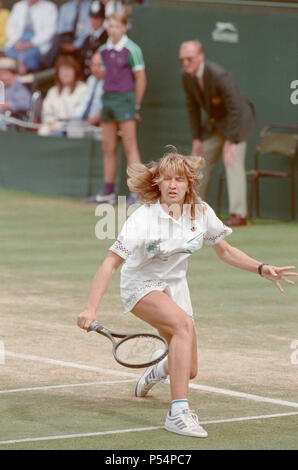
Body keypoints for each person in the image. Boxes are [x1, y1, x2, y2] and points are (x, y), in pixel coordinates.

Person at [77, 148, 297, 438]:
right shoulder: (143, 218)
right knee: (183, 325)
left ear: (189, 184)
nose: (172, 185)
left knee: (189, 369)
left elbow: (226, 251)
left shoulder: (201, 213)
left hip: (176, 286)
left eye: (179, 179)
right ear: (158, 183)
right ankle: (178, 412)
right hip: (141, 285)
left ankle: (158, 370)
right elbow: (110, 263)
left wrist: (261, 267)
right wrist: (90, 308)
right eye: (167, 179)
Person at [179, 40, 255, 227]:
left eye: (189, 59)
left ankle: (239, 214)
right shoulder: (186, 77)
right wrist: (196, 138)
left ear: (200, 57)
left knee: (232, 160)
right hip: (215, 125)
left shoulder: (218, 75)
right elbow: (193, 108)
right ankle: (192, 210)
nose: (186, 63)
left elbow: (235, 107)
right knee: (198, 160)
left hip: (237, 124)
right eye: (182, 60)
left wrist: (230, 141)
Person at [85, 12, 146, 207]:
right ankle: (108, 192)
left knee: (130, 145)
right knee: (108, 146)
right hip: (108, 99)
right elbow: (105, 74)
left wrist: (135, 105)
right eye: (109, 26)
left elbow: (141, 79)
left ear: (125, 27)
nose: (112, 30)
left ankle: (136, 193)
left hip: (125, 99)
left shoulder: (132, 50)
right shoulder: (103, 50)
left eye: (116, 26)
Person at [38, 55, 86, 136]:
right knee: (43, 131)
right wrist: (52, 123)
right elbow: (46, 112)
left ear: (75, 71)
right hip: (52, 126)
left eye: (68, 70)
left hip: (73, 127)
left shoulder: (83, 89)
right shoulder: (52, 91)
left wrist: (63, 125)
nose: (65, 74)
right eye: (62, 70)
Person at [5, 0, 58, 73]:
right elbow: (10, 26)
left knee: (28, 57)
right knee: (9, 54)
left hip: (37, 43)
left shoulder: (50, 7)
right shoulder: (18, 6)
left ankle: (25, 75)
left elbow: (50, 31)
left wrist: (30, 44)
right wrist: (15, 42)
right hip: (18, 41)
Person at [41, 0, 92, 69]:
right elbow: (60, 30)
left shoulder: (90, 7)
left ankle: (44, 65)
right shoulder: (65, 8)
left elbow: (89, 31)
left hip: (82, 41)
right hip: (66, 38)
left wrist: (75, 46)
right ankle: (46, 66)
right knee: (56, 39)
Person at [71, 52, 104, 127]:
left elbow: (106, 111)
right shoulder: (91, 79)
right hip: (77, 119)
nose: (95, 69)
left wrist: (87, 123)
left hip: (95, 126)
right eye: (93, 65)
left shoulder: (111, 83)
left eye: (99, 65)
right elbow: (86, 101)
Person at [79, 0, 108, 80]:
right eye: (92, 17)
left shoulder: (107, 38)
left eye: (97, 18)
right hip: (85, 79)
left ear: (103, 19)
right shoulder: (87, 39)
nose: (94, 21)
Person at [0, 57, 32, 129]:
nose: (1, 76)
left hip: (12, 122)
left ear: (13, 75)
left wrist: (6, 105)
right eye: (0, 73)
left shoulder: (19, 88)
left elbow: (26, 105)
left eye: (5, 73)